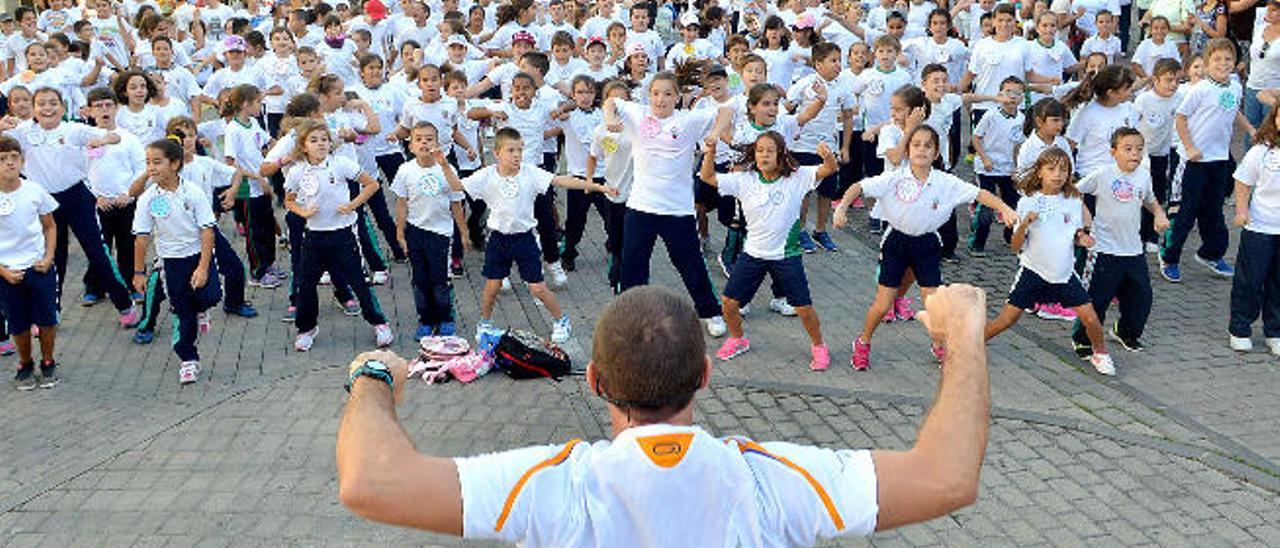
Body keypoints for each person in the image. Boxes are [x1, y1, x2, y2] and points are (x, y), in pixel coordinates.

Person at [336, 283, 993, 544]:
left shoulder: (553, 482)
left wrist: (372, 377)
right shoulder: (770, 478)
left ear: (593, 382)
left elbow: (372, 483)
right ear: (705, 375)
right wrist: (963, 332)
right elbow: (946, 477)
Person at [834, 126, 1018, 370]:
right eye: (916, 144)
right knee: (883, 303)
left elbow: (980, 193)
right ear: (908, 150)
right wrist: (842, 207)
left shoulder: (945, 182)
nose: (921, 150)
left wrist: (1004, 208)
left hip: (927, 245)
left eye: (928, 145)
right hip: (896, 243)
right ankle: (863, 340)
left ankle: (939, 344)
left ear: (937, 152)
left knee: (935, 304)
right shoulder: (895, 178)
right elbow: (859, 187)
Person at [701, 133, 838, 371]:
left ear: (781, 155)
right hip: (753, 254)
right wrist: (710, 152)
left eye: (770, 150)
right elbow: (708, 176)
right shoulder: (745, 179)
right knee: (728, 303)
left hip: (787, 256)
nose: (764, 154)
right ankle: (738, 338)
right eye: (760, 150)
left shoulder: (798, 177)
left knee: (803, 308)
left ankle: (819, 346)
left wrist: (827, 156)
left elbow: (828, 169)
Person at [983, 147, 1115, 375]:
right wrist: (1024, 224)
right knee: (1007, 319)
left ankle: (1100, 352)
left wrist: (1082, 237)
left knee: (1091, 318)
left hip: (1064, 273)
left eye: (1063, 169)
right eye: (1051, 168)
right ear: (1040, 172)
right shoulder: (1027, 201)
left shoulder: (1073, 200)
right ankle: (969, 345)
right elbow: (1015, 247)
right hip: (1033, 271)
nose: (1057, 174)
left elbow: (1074, 231)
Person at [1070, 128, 1169, 356]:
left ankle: (1126, 332)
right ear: (1113, 152)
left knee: (1141, 297)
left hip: (1133, 250)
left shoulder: (1143, 175)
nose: (1135, 154)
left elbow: (1150, 199)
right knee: (1097, 299)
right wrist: (1083, 224)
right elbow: (1073, 192)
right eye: (1128, 149)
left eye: (1139, 149)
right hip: (1103, 250)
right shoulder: (1103, 174)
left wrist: (1159, 214)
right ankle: (1083, 338)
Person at [131, 135, 221, 385]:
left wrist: (203, 267)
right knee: (183, 312)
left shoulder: (193, 193)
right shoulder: (148, 199)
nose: (151, 168)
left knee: (210, 296)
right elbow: (141, 237)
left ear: (174, 164)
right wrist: (139, 272)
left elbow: (207, 231)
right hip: (171, 263)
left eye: (157, 162)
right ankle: (188, 358)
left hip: (197, 256)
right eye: (148, 162)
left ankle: (202, 309)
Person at [1161, 38, 1252, 282]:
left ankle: (1211, 254)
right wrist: (1190, 148)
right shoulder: (1199, 89)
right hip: (1192, 162)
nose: (1223, 64)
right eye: (1217, 59)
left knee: (1213, 211)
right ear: (1207, 63)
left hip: (1219, 161)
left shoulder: (1234, 85)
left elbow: (1234, 111)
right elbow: (1180, 118)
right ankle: (1169, 257)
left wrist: (1252, 130)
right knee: (1184, 213)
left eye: (1228, 59)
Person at [390, 122, 467, 340]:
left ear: (438, 143)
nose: (424, 143)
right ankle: (425, 319)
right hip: (415, 231)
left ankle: (445, 318)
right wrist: (400, 232)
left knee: (440, 279)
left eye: (429, 139)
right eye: (419, 139)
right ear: (411, 145)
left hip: (441, 233)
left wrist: (463, 232)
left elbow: (456, 203)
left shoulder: (447, 169)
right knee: (420, 280)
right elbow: (402, 203)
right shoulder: (405, 170)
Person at [0, 136, 60, 390]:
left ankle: (48, 361)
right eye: (2, 159)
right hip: (8, 272)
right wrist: (3, 271)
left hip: (38, 267)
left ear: (23, 161)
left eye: (14, 157)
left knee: (47, 320)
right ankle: (25, 363)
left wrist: (48, 258)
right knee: (19, 323)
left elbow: (50, 226)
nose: (9, 163)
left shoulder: (34, 190)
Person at [1228, 102, 1280, 354]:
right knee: (1250, 281)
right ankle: (1239, 328)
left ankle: (1275, 331)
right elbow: (1242, 181)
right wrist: (1241, 210)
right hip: (1260, 227)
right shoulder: (1261, 150)